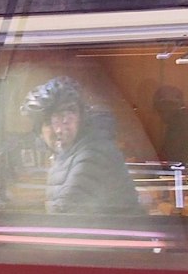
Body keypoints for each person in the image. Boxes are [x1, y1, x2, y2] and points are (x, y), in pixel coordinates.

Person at [22, 77, 141, 216]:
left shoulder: (93, 153)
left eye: (66, 118)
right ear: (39, 131)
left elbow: (67, 214)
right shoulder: (69, 153)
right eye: (49, 122)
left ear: (81, 118)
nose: (59, 129)